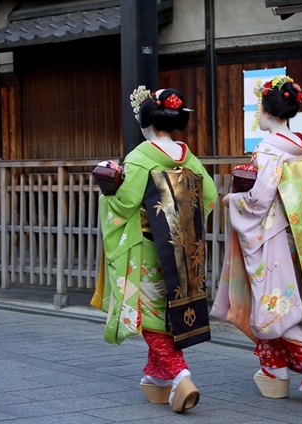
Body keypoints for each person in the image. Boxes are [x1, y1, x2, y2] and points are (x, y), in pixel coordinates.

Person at [211, 76, 302, 404]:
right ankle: (274, 369)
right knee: (277, 301)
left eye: (259, 107)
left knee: (276, 305)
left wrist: (233, 201)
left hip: (271, 236)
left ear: (268, 112)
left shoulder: (270, 148)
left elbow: (259, 198)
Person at [91, 87, 218, 413]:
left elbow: (126, 202)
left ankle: (181, 377)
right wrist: (184, 225)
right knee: (167, 314)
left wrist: (108, 192)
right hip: (180, 248)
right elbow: (211, 195)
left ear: (145, 121)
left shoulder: (141, 157)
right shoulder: (188, 157)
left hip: (148, 250)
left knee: (149, 317)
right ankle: (157, 380)